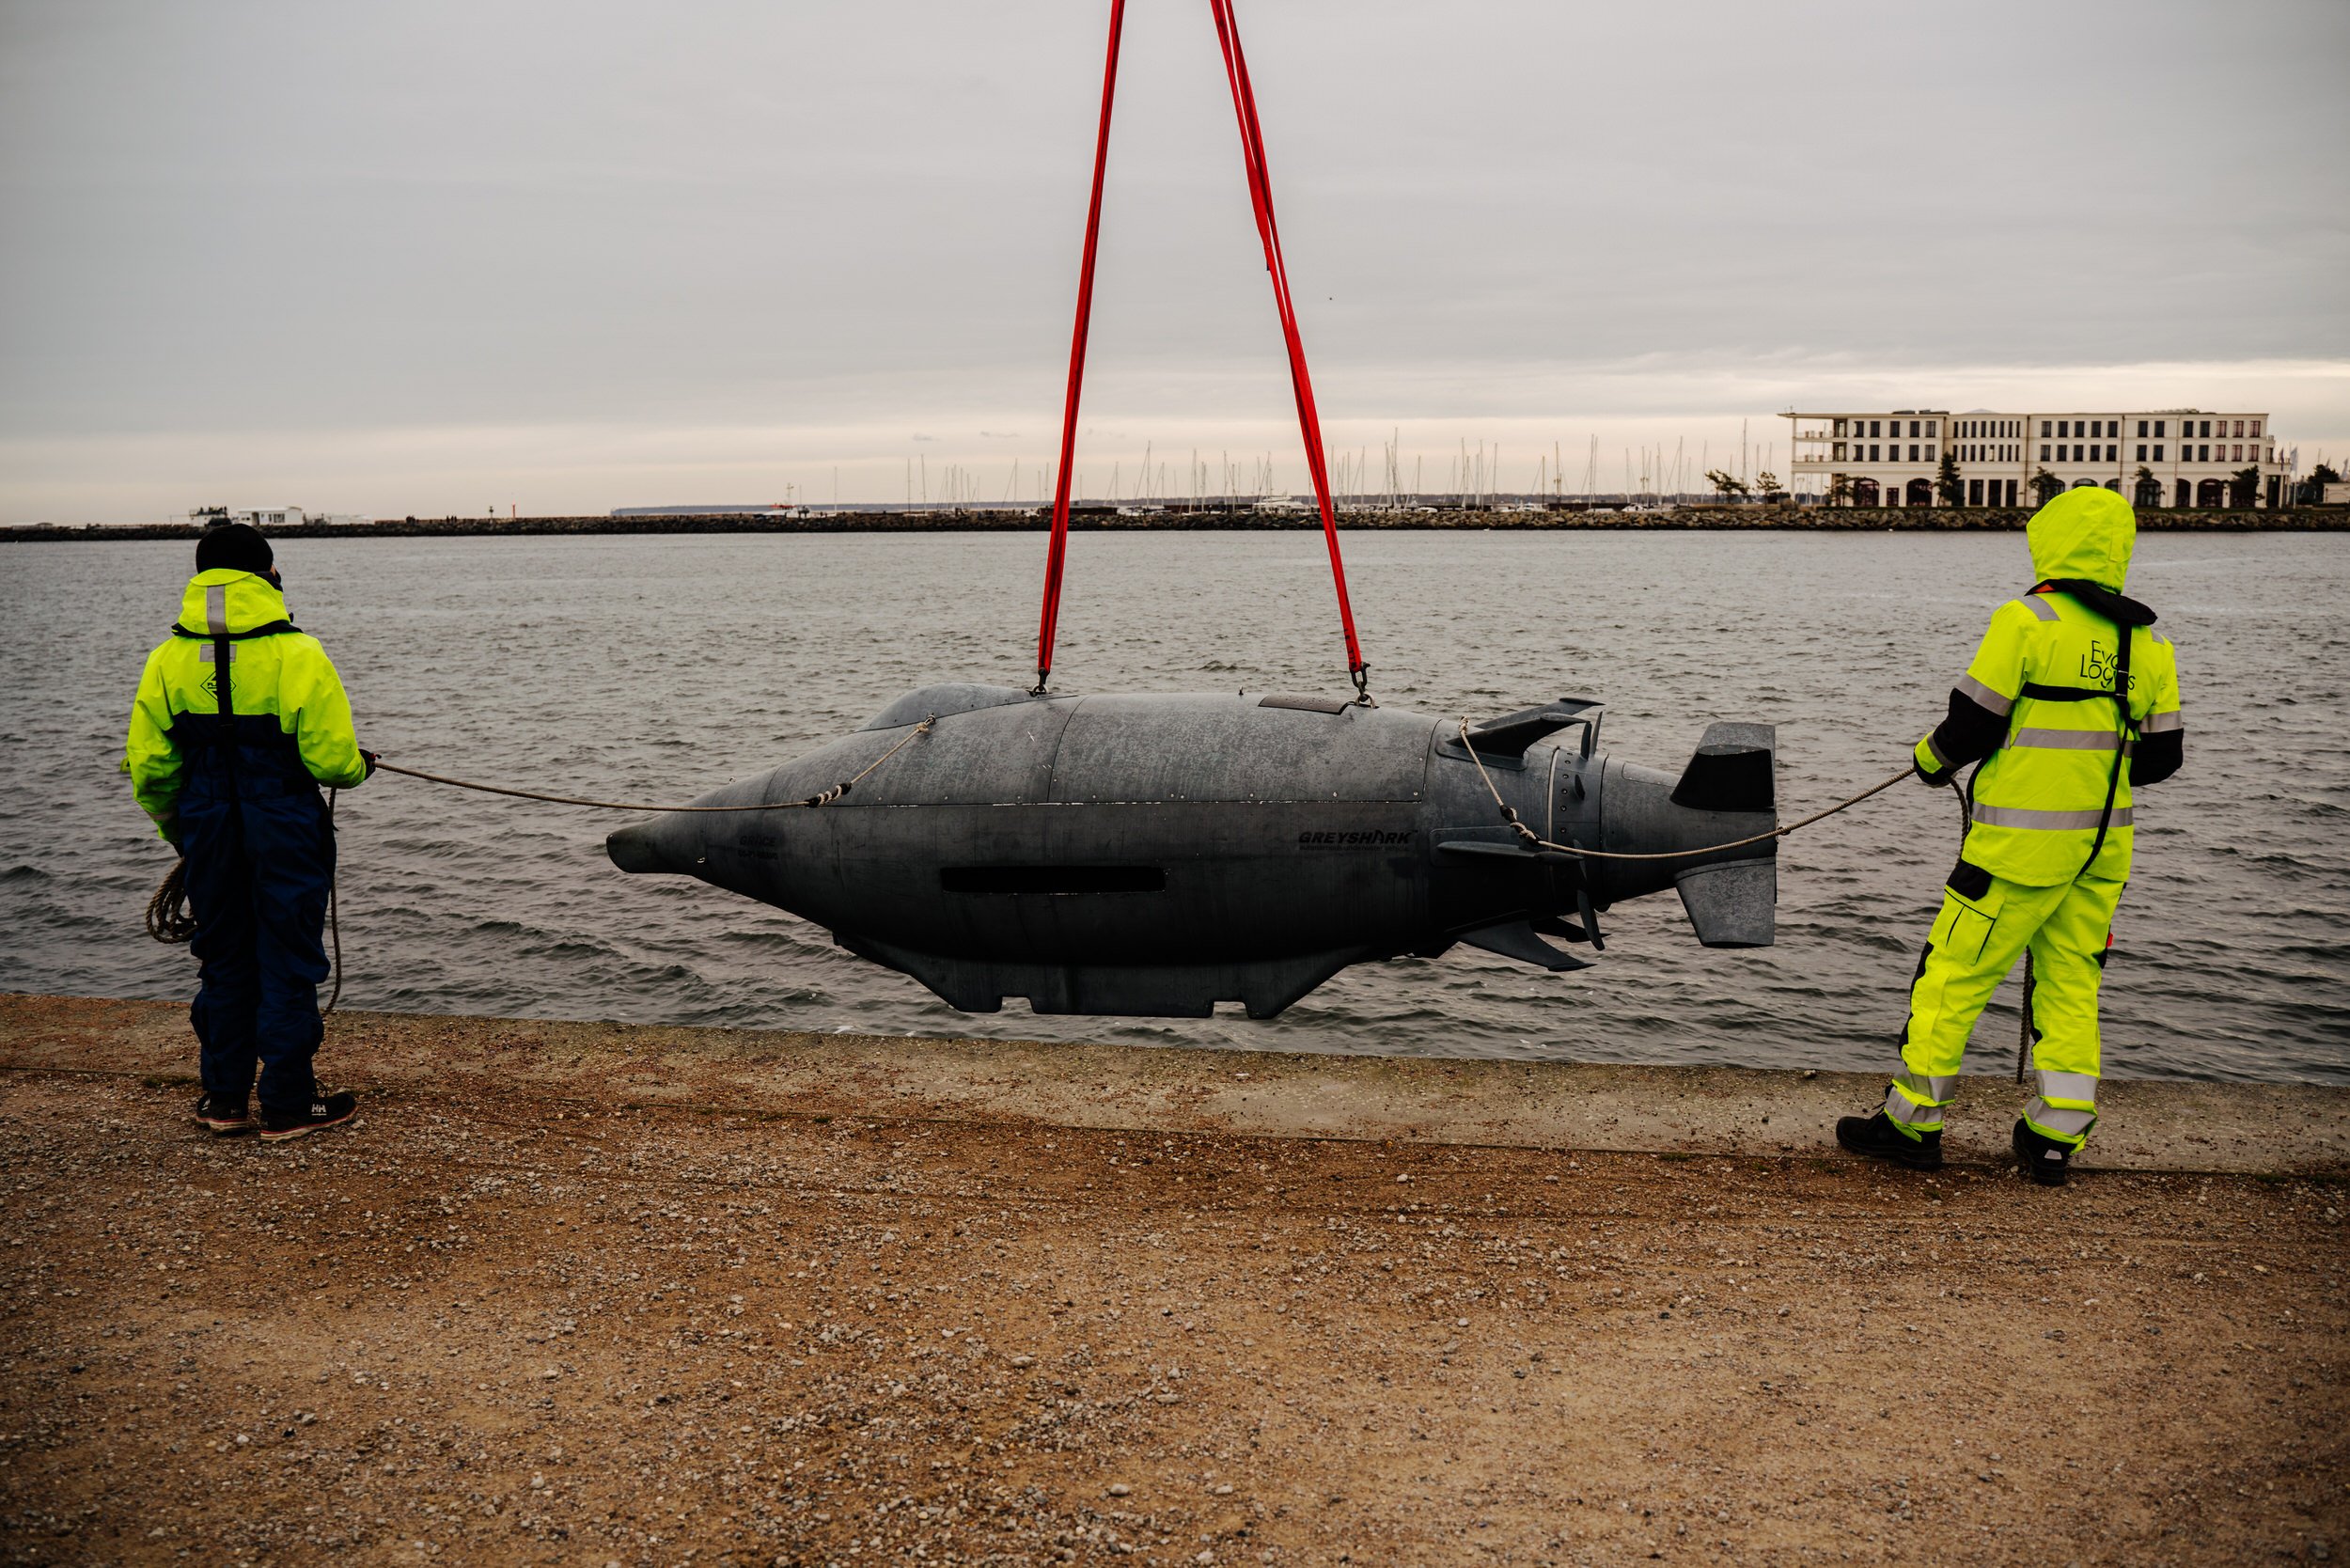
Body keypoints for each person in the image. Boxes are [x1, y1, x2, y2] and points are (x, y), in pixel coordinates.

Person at [1838, 487, 2184, 1185]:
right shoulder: (2146, 644)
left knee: (1952, 978)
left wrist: (1929, 764)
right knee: (2070, 987)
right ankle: (2054, 1138)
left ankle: (1910, 1125)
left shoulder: (2025, 620)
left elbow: (1968, 724)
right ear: (2119, 550)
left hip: (2015, 851)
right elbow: (2160, 760)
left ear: (2048, 543)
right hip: (2101, 854)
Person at [123, 523, 375, 1141]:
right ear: (268, 576)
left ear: (200, 579)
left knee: (225, 955)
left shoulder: (167, 659)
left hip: (207, 823)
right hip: (284, 821)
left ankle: (225, 1099)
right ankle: (288, 1103)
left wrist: (180, 832)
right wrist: (358, 766)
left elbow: (151, 770)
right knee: (287, 957)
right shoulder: (299, 654)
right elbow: (333, 762)